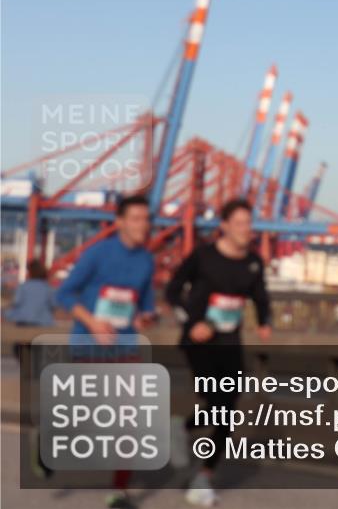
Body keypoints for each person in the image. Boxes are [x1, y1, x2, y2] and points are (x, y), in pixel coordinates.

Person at [165, 198, 272, 508]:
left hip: (230, 341)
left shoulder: (253, 262)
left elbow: (260, 295)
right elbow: (173, 290)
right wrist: (192, 321)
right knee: (218, 403)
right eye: (239, 224)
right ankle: (180, 429)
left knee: (227, 410)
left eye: (249, 224)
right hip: (198, 341)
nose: (246, 230)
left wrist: (264, 321)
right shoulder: (203, 256)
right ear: (223, 226)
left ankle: (203, 478)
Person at [54, 194, 157, 509]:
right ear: (120, 222)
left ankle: (119, 491)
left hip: (125, 345)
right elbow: (64, 293)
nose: (144, 225)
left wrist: (145, 315)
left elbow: (145, 302)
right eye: (137, 219)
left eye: (146, 218)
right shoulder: (97, 253)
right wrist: (93, 322)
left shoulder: (147, 260)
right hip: (89, 343)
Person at [6, 260, 55, 326]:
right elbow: (53, 305)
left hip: (23, 319)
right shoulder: (48, 288)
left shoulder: (23, 286)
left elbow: (16, 302)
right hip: (44, 320)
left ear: (30, 272)